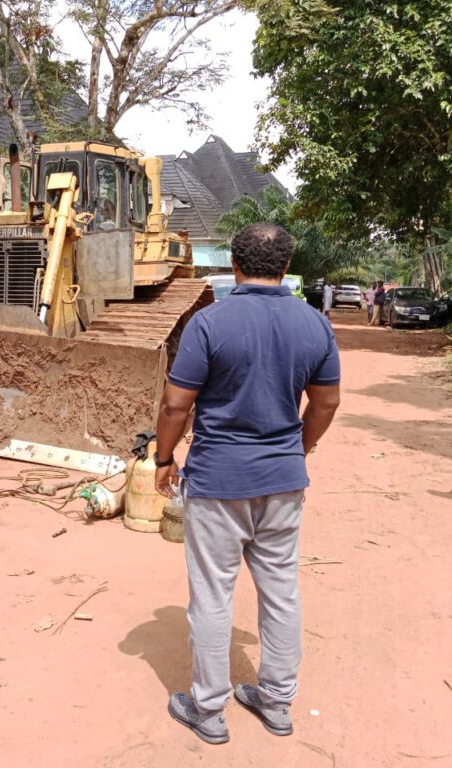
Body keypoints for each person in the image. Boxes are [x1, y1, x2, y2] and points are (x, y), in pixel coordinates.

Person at [153, 223, 341, 745]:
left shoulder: (210, 323)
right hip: (283, 481)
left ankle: (208, 710)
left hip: (217, 479)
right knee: (281, 590)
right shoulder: (314, 325)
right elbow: (325, 403)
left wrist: (164, 458)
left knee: (212, 595)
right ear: (286, 266)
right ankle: (277, 701)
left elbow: (175, 404)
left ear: (234, 264)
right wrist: (297, 450)